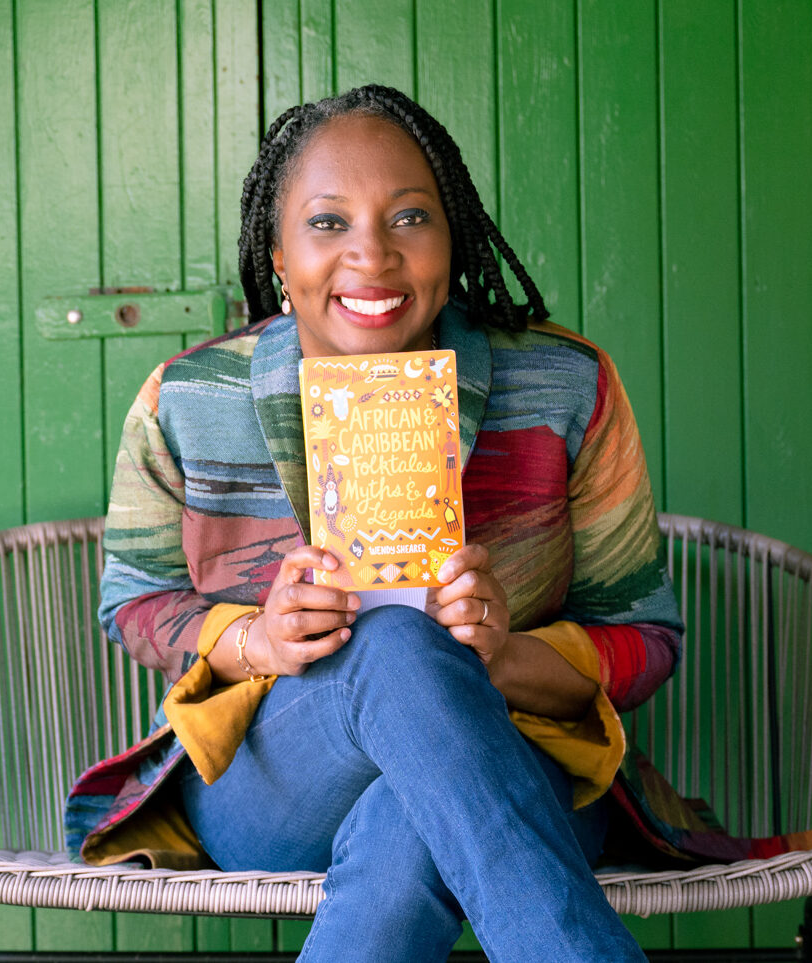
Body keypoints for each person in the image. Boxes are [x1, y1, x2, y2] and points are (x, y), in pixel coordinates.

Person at [65, 84, 683, 962]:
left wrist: (503, 656)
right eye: (326, 223)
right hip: (275, 780)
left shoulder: (563, 386)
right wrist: (260, 642)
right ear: (278, 254)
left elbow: (645, 636)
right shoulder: (189, 401)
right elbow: (134, 602)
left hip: (521, 762)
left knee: (408, 827)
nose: (371, 255)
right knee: (392, 646)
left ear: (451, 239)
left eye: (409, 218)